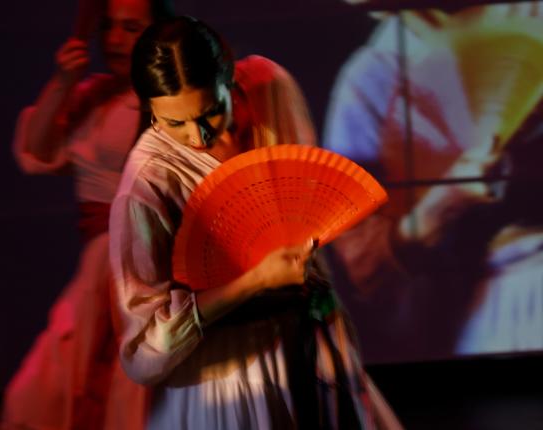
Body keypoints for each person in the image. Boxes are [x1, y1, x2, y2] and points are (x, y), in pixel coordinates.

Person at [109, 16, 401, 429]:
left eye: (211, 112)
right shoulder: (148, 181)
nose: (197, 136)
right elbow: (144, 350)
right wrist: (254, 282)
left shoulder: (269, 86)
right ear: (149, 108)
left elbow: (306, 195)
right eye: (174, 123)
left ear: (228, 77)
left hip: (310, 341)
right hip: (230, 376)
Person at [321, 2, 543, 361]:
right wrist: (442, 207)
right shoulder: (373, 75)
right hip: (486, 310)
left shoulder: (529, 19)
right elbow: (362, 268)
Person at [0, 1, 174, 429]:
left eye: (130, 28)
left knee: (133, 395)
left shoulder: (170, 103)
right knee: (40, 393)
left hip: (144, 269)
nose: (114, 39)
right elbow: (36, 153)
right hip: (96, 270)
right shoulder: (91, 95)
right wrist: (64, 80)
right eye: (109, 27)